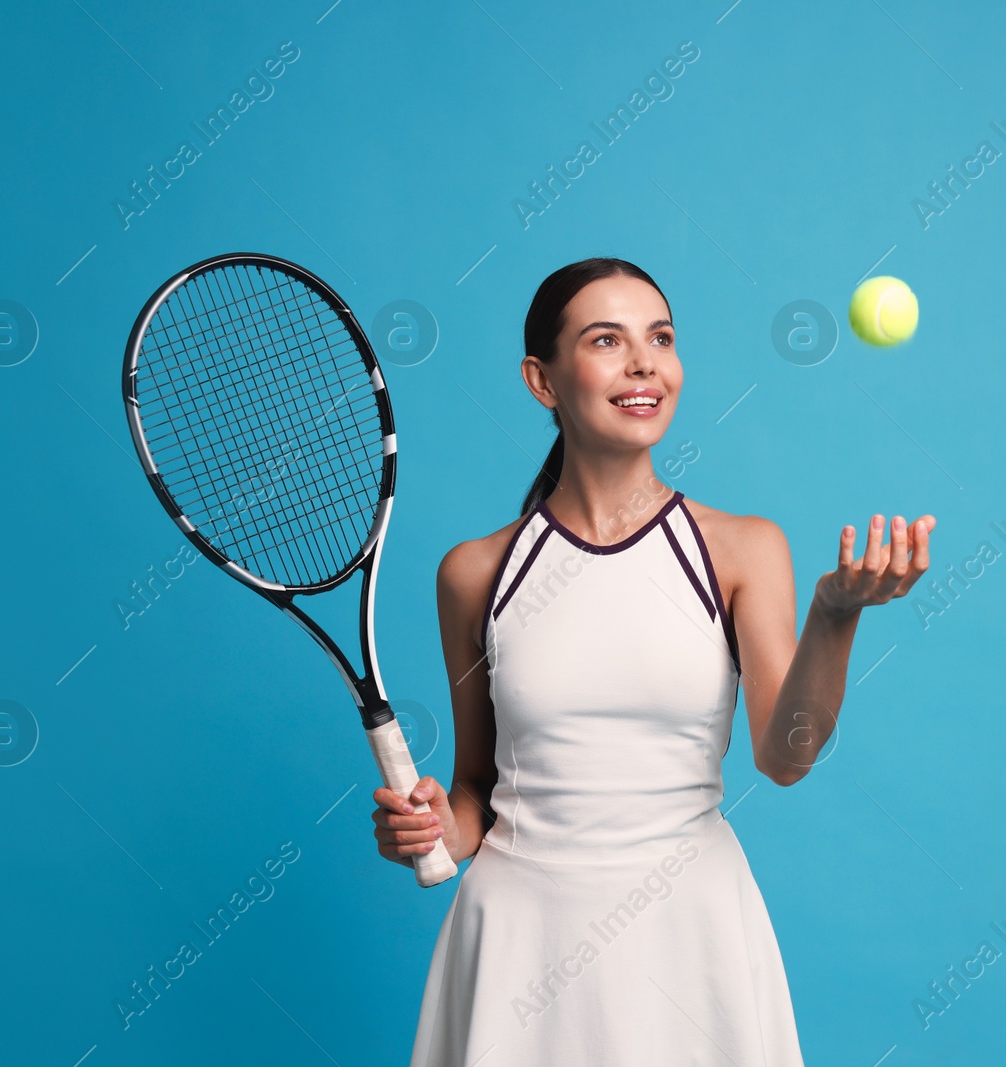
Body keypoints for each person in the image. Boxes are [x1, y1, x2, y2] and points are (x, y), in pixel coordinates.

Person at [372, 257, 935, 1065]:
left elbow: (786, 756)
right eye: (607, 339)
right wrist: (431, 825)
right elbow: (476, 794)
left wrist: (835, 613)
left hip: (691, 931)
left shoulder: (742, 547)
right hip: (518, 941)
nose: (645, 363)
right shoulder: (475, 574)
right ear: (543, 379)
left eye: (661, 339)